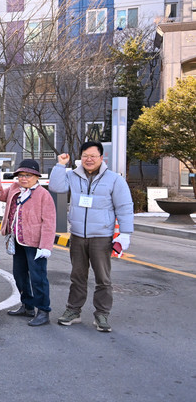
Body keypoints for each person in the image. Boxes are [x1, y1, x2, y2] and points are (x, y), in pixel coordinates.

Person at [49, 141, 134, 332]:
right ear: (81, 157)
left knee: (103, 278)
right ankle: (73, 311)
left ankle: (102, 314)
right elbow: (56, 187)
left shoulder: (114, 179)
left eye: (93, 156)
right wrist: (60, 165)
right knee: (77, 276)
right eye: (85, 156)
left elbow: (124, 207)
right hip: (78, 235)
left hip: (102, 237)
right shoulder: (72, 175)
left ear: (101, 158)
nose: (89, 159)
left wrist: (125, 234)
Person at [0, 159, 56, 326]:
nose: (23, 178)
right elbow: (0, 195)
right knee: (19, 275)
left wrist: (45, 246)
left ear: (36, 177)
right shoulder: (15, 188)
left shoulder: (43, 195)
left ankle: (43, 311)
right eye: (20, 175)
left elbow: (49, 222)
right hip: (17, 240)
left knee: (38, 278)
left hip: (35, 243)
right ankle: (27, 305)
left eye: (28, 175)